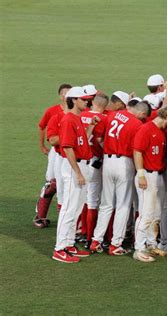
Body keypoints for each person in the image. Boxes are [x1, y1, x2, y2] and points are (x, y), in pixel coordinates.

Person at [90, 102, 150, 255]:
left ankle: (96, 240)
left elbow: (98, 134)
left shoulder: (114, 114)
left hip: (108, 160)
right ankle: (115, 244)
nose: (144, 118)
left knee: (106, 203)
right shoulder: (137, 124)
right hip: (124, 162)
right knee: (123, 205)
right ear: (141, 113)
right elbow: (136, 149)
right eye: (144, 115)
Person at [52, 86, 96, 263]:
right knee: (69, 209)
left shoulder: (76, 119)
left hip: (80, 165)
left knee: (76, 208)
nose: (87, 101)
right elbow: (68, 147)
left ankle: (69, 244)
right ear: (74, 100)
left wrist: (91, 127)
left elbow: (80, 142)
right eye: (84, 99)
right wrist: (77, 173)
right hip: (73, 167)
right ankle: (59, 248)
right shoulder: (69, 120)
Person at [132, 105, 167, 262]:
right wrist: (141, 174)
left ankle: (151, 244)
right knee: (146, 213)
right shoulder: (146, 129)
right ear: (166, 117)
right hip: (147, 175)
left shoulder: (160, 132)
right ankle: (138, 248)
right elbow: (137, 151)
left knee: (156, 213)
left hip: (157, 176)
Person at [34, 83, 71, 228]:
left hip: (72, 152)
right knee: (52, 183)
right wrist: (42, 145)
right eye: (66, 93)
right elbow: (41, 126)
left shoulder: (81, 111)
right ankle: (40, 216)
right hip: (56, 152)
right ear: (61, 96)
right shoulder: (53, 111)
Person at [79, 95, 108, 248]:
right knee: (93, 201)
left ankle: (82, 231)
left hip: (80, 162)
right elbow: (100, 140)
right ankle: (90, 237)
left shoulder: (81, 114)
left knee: (82, 198)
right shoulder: (103, 119)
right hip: (95, 163)